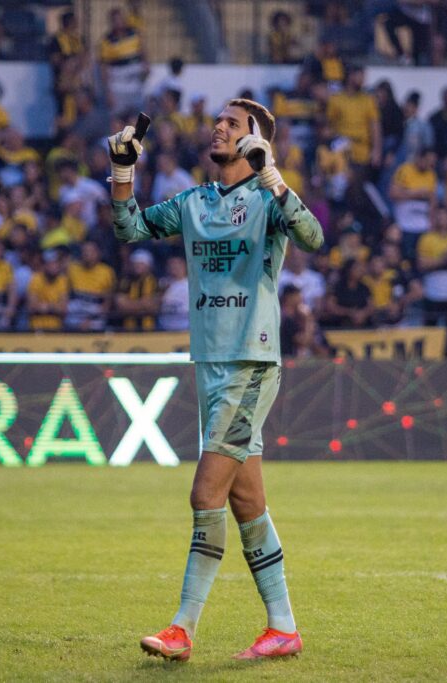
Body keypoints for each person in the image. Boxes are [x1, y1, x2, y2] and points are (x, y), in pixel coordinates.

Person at [110, 98, 323, 660]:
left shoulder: (268, 199)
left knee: (205, 491)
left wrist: (273, 175)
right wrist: (122, 170)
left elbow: (313, 237)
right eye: (219, 121)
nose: (219, 127)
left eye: (233, 123)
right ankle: (283, 628)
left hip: (251, 361)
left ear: (257, 141)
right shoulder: (193, 202)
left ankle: (182, 628)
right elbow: (130, 228)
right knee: (247, 500)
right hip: (209, 361)